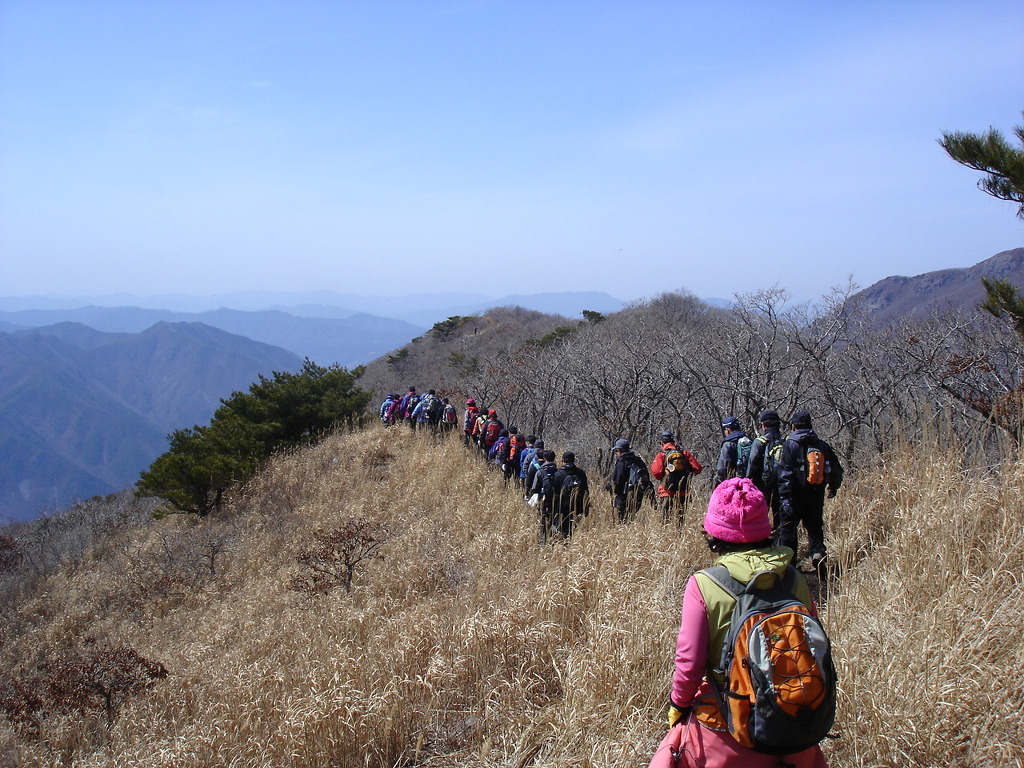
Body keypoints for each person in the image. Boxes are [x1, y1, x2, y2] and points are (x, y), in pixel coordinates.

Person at [666, 478, 829, 768]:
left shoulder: (703, 585)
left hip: (729, 725)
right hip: (796, 720)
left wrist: (678, 707)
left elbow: (689, 664)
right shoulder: (793, 578)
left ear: (714, 531)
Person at [775, 411, 843, 570]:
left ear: (793, 426)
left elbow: (784, 473)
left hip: (794, 496)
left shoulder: (789, 445)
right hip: (815, 493)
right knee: (814, 527)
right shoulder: (821, 445)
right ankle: (818, 554)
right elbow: (836, 470)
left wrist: (784, 498)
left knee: (788, 529)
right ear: (810, 425)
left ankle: (789, 565)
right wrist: (833, 487)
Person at [650, 431, 702, 524]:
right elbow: (698, 468)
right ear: (673, 441)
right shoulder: (685, 453)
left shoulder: (661, 455)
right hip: (683, 493)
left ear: (662, 443)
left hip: (666, 493)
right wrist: (687, 474)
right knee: (680, 521)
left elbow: (656, 473)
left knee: (665, 521)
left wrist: (666, 476)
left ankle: (667, 538)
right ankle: (680, 536)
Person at [746, 409, 784, 533]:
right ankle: (780, 541)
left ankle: (761, 540)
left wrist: (748, 483)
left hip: (763, 485)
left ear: (764, 426)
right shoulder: (787, 441)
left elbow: (752, 466)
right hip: (783, 484)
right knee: (780, 515)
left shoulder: (759, 442)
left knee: (760, 515)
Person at [608, 438, 652, 522]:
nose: (616, 454)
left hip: (624, 498)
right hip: (638, 496)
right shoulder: (638, 461)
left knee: (623, 522)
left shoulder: (621, 463)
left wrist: (610, 487)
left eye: (616, 451)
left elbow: (617, 482)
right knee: (631, 519)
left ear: (619, 450)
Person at [551, 451, 590, 540]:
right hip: (577, 505)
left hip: (562, 506)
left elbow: (554, 492)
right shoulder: (581, 473)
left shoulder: (558, 474)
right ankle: (572, 541)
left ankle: (560, 541)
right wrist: (586, 506)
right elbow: (585, 490)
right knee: (573, 526)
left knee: (560, 526)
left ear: (563, 460)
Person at [531, 449, 560, 544]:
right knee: (554, 519)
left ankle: (542, 540)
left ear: (544, 458)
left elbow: (534, 488)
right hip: (555, 500)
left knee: (542, 520)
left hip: (543, 500)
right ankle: (553, 538)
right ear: (554, 458)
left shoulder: (540, 472)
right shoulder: (559, 472)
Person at [715, 417, 752, 485]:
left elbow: (722, 468)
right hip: (749, 483)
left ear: (728, 430)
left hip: (733, 483)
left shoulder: (728, 444)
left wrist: (718, 482)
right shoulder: (749, 441)